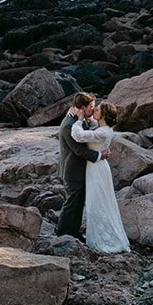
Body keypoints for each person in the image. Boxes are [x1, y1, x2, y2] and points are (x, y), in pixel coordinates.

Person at [70, 102, 130, 253]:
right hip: (97, 167)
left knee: (96, 203)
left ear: (102, 115)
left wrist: (78, 119)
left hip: (97, 169)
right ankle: (98, 236)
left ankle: (103, 240)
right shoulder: (103, 128)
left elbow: (78, 135)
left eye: (96, 109)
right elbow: (93, 125)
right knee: (98, 201)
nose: (94, 110)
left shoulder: (103, 132)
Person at [57, 92, 102, 239]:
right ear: (83, 107)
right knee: (71, 203)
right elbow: (78, 150)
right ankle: (62, 232)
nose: (93, 110)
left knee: (78, 202)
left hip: (79, 170)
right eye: (91, 107)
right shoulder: (68, 125)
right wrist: (99, 156)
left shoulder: (78, 120)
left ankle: (74, 232)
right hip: (72, 171)